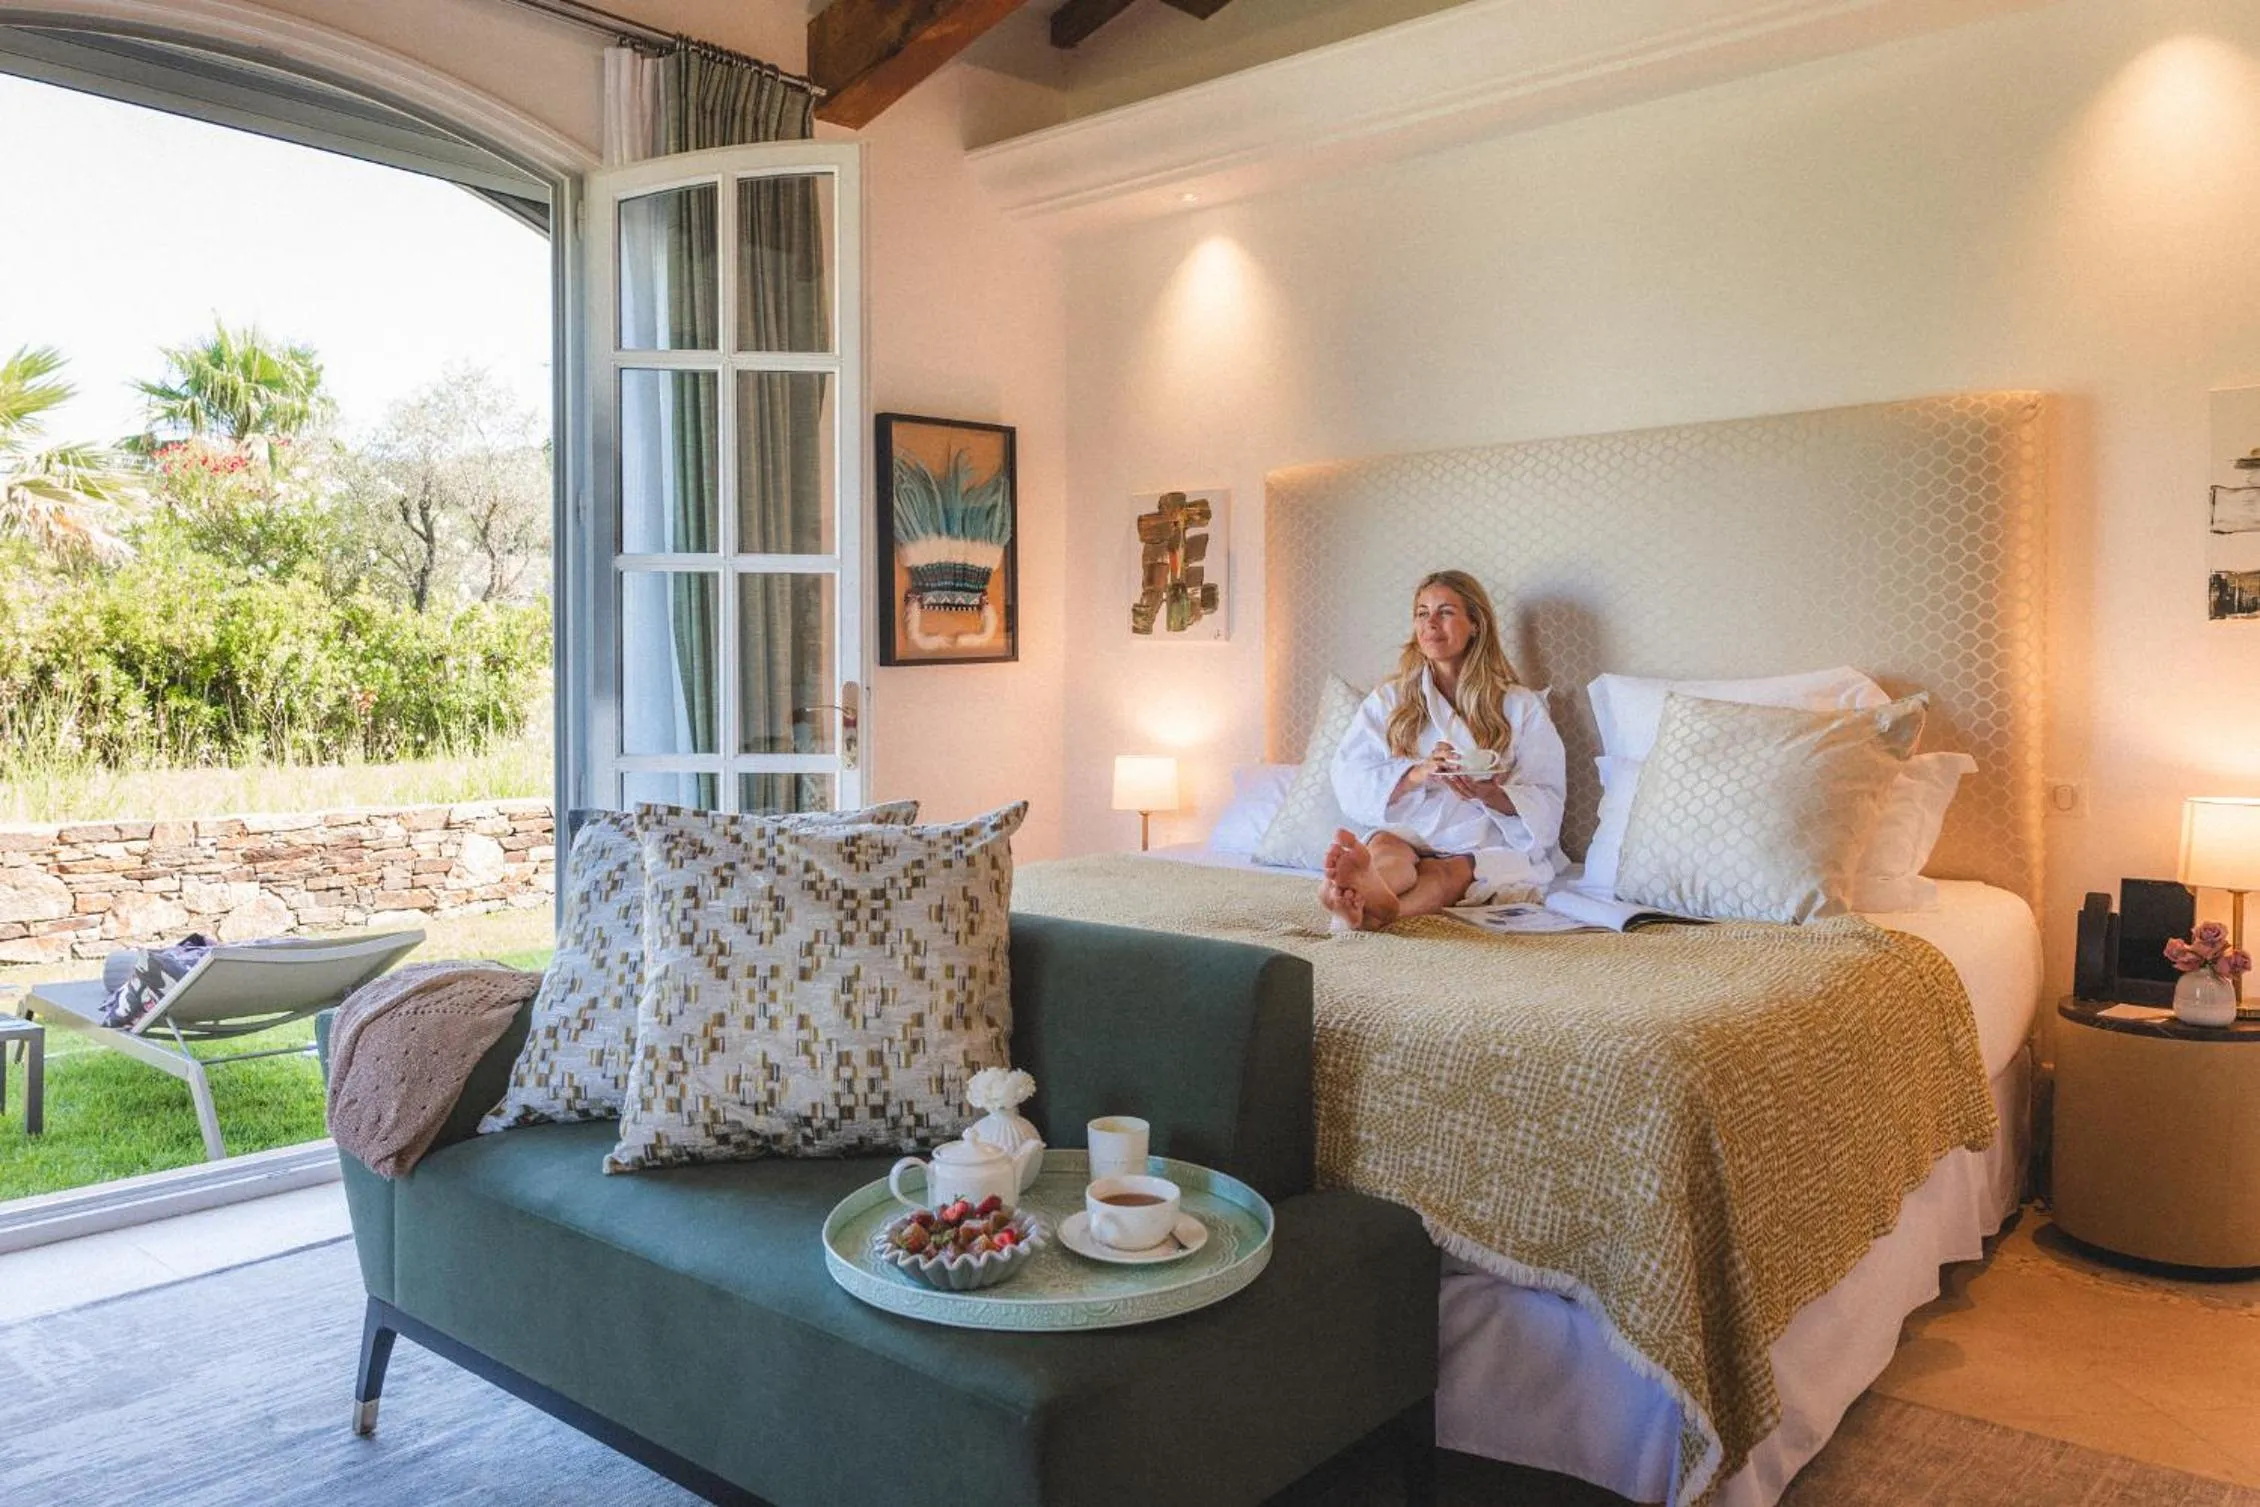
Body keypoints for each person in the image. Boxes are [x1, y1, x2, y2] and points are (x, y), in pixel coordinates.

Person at [1320, 570, 1566, 931]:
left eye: (1445, 612)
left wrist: (1493, 794)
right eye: (1422, 613)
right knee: (1387, 851)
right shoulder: (1391, 700)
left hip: (1480, 835)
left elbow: (1548, 797)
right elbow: (1349, 774)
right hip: (1410, 828)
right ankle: (1365, 886)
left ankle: (1381, 911)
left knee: (1448, 871)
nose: (1430, 623)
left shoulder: (1519, 705)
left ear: (1476, 624)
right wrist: (1415, 774)